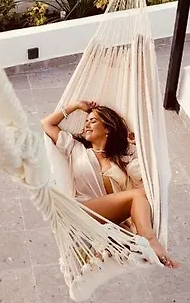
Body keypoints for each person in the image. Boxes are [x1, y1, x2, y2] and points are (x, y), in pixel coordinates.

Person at [41, 100, 178, 269]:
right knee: (139, 195)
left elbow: (147, 181)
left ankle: (141, 242)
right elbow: (47, 123)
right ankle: (150, 240)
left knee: (143, 194)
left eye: (93, 121)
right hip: (82, 211)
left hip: (110, 218)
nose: (86, 125)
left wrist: (136, 146)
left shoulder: (121, 158)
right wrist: (76, 106)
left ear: (107, 129)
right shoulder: (74, 148)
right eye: (86, 122)